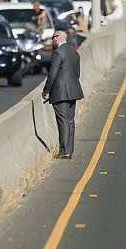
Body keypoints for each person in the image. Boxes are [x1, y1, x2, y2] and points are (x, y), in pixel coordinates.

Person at [42, 28, 84, 159]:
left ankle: (64, 151)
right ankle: (69, 150)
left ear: (57, 37)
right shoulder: (74, 52)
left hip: (61, 92)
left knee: (63, 121)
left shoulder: (57, 53)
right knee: (70, 121)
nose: (52, 39)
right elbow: (77, 73)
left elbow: (52, 74)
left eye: (53, 37)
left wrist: (46, 90)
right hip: (74, 90)